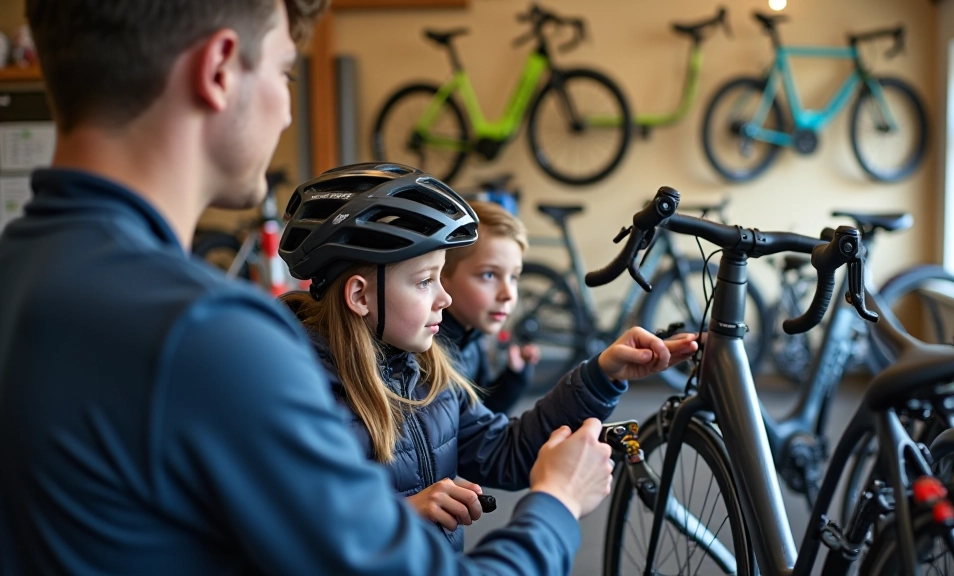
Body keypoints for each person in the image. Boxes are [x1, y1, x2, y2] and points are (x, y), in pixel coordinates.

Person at [0, 2, 623, 574]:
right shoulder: (208, 335)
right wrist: (556, 506)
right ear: (219, 69)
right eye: (284, 73)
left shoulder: (27, 271)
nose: (287, 110)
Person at [277, 163, 699, 552]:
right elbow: (289, 534)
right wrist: (399, 514)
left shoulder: (427, 372)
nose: (444, 297)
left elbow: (506, 450)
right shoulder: (302, 395)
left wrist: (603, 373)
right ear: (359, 296)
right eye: (425, 281)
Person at [438, 200, 539, 414]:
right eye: (489, 275)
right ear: (443, 275)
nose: (509, 294)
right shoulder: (429, 357)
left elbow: (482, 413)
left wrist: (514, 377)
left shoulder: (472, 334)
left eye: (514, 277)